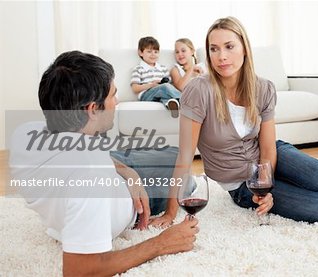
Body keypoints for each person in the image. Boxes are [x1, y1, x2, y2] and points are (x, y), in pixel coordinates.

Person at [150, 17, 318, 228]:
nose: (221, 56)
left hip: (270, 159)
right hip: (239, 183)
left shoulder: (263, 88)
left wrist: (266, 187)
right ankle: (312, 188)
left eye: (229, 46)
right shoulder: (198, 91)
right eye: (214, 49)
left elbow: (267, 149)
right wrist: (171, 212)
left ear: (244, 48)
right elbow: (184, 156)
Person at [9, 51, 198, 276]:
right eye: (112, 96)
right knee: (186, 179)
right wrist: (162, 243)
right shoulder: (89, 178)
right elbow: (81, 270)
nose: (117, 102)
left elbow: (82, 155)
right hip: (134, 200)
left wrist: (126, 171)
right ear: (92, 109)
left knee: (172, 153)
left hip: (117, 165)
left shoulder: (26, 133)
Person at [131, 36, 181, 118]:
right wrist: (151, 85)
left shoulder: (163, 68)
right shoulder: (138, 69)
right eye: (149, 51)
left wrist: (164, 82)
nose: (153, 54)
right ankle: (185, 99)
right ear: (141, 53)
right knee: (164, 87)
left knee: (166, 95)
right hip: (146, 96)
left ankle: (172, 106)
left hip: (160, 94)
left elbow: (169, 84)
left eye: (156, 51)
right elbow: (135, 88)